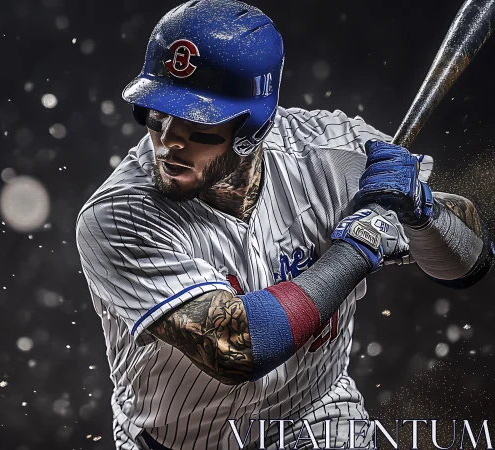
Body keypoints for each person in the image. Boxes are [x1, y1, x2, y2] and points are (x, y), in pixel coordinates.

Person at [74, 1, 493, 449]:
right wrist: (359, 246)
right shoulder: (118, 214)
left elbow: (471, 263)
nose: (169, 143)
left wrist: (420, 211)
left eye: (198, 125)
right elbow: (237, 347)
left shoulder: (334, 152)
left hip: (317, 415)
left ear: (251, 129)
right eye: (157, 115)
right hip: (181, 440)